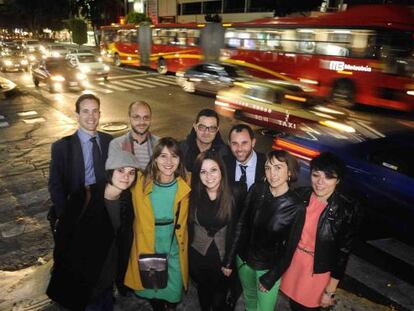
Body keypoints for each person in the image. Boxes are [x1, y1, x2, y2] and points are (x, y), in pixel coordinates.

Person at [47, 150, 139, 310]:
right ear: (109, 170)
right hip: (84, 283)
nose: (126, 176)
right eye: (120, 170)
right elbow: (62, 239)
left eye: (131, 172)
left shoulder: (127, 199)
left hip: (108, 281)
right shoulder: (85, 195)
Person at [280, 152, 362, 311]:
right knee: (294, 305)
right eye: (316, 175)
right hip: (294, 264)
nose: (320, 182)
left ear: (338, 180)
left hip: (317, 272)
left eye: (328, 177)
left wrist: (330, 291)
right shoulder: (301, 195)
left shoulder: (346, 210)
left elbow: (342, 254)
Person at [231, 150, 305, 311]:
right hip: (244, 260)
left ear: (290, 172)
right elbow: (241, 224)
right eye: (268, 168)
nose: (272, 173)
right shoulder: (257, 189)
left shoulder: (297, 206)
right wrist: (231, 258)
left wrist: (272, 276)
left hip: (267, 268)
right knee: (249, 299)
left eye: (278, 168)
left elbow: (290, 248)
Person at [124, 137, 191, 311]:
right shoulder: (139, 183)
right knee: (152, 292)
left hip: (174, 249)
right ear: (154, 159)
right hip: (148, 248)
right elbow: (115, 175)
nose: (169, 162)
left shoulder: (187, 182)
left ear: (180, 160)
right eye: (163, 156)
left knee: (174, 294)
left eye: (174, 156)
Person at [188, 151, 246, 311]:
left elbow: (238, 230)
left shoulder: (235, 192)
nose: (209, 176)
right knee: (204, 296)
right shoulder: (192, 195)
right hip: (198, 257)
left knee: (219, 300)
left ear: (222, 170)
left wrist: (229, 261)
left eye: (213, 170)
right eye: (203, 171)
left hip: (222, 260)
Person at [48, 94, 112, 226]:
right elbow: (56, 185)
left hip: (107, 205)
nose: (91, 116)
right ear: (77, 115)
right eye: (85, 111)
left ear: (99, 114)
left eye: (95, 111)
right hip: (79, 208)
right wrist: (65, 216)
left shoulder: (109, 140)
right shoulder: (62, 147)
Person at [108, 100, 159, 171]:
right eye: (137, 117)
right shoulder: (117, 145)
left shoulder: (159, 144)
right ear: (129, 118)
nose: (142, 122)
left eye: (146, 117)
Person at [225, 124, 265, 190]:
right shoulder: (223, 164)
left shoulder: (266, 164)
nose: (239, 149)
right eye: (235, 143)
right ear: (229, 144)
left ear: (253, 142)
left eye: (244, 143)